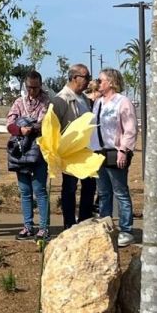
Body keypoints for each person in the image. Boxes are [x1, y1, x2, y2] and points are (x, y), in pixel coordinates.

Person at [89, 68, 138, 247]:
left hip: (115, 151)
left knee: (120, 192)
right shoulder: (98, 102)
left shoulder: (122, 102)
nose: (98, 83)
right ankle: (106, 226)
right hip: (98, 152)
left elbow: (130, 128)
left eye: (100, 80)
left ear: (110, 82)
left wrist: (123, 150)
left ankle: (126, 229)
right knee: (103, 193)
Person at [7, 71, 50, 240]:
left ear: (40, 85)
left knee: (40, 189)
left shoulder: (46, 102)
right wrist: (20, 129)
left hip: (39, 151)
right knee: (25, 190)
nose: (32, 91)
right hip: (22, 150)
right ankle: (27, 226)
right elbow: (10, 124)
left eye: (35, 87)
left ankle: (44, 227)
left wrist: (29, 125)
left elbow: (44, 123)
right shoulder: (19, 102)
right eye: (29, 87)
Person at [51, 64, 95, 230]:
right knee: (70, 188)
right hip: (70, 152)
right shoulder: (61, 99)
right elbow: (53, 126)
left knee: (90, 186)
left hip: (87, 151)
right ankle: (69, 223)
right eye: (86, 77)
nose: (89, 81)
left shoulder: (85, 99)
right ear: (74, 78)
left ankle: (85, 220)